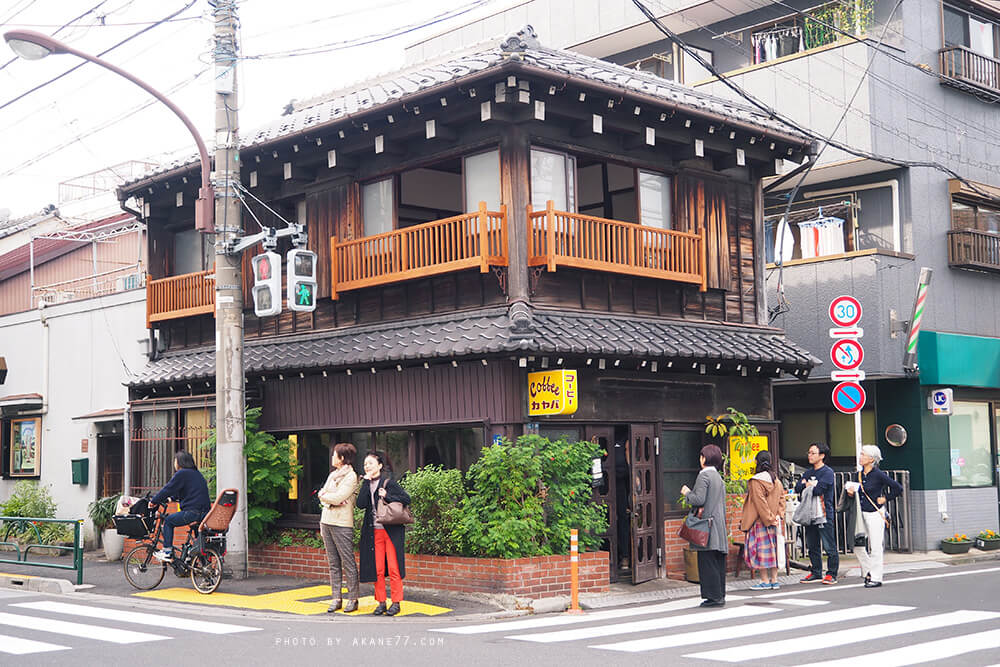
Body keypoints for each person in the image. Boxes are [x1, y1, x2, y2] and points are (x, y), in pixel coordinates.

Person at [356, 451, 411, 616]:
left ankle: (396, 602)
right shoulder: (366, 483)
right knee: (377, 569)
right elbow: (360, 504)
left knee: (394, 568)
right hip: (373, 533)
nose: (368, 467)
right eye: (365, 464)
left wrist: (388, 495)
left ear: (380, 466)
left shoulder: (389, 483)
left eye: (371, 463)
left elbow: (406, 499)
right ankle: (381, 602)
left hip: (391, 531)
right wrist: (365, 483)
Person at [846, 444, 903, 588]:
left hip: (875, 513)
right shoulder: (858, 474)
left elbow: (898, 487)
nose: (860, 457)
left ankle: (876, 577)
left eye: (863, 454)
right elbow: (858, 492)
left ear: (871, 459)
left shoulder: (878, 474)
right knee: (857, 544)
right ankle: (868, 571)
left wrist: (885, 498)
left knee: (876, 546)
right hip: (860, 513)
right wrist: (851, 492)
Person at [680, 444, 728, 607]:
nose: (700, 459)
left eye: (701, 456)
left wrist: (687, 493)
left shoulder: (704, 476)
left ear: (704, 458)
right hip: (719, 525)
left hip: (707, 526)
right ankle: (720, 594)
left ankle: (713, 597)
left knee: (707, 561)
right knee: (717, 561)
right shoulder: (718, 477)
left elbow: (698, 499)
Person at [318, 443, 361, 613]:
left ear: (342, 458)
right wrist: (329, 498)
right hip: (326, 521)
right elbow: (323, 495)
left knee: (347, 561)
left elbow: (338, 497)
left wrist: (329, 497)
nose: (332, 458)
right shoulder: (332, 475)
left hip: (342, 523)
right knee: (333, 563)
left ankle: (353, 598)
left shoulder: (351, 476)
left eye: (334, 455)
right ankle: (336, 598)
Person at [150, 450, 211, 562]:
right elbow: (182, 491)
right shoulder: (197, 474)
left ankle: (167, 551)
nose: (174, 463)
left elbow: (168, 488)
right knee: (198, 539)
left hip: (192, 512)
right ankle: (204, 565)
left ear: (180, 462)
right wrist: (170, 499)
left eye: (175, 460)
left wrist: (154, 501)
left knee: (168, 521)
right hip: (205, 514)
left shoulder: (182, 473)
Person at [740, 450, 786, 590]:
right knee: (774, 550)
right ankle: (774, 580)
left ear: (756, 462)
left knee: (761, 551)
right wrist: (778, 516)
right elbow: (782, 499)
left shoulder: (756, 481)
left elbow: (760, 503)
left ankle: (765, 581)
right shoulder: (776, 480)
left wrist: (768, 518)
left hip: (760, 521)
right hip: (775, 522)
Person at [795, 442, 838, 584]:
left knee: (829, 546)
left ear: (822, 456)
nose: (809, 455)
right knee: (812, 545)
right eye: (809, 453)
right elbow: (797, 487)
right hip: (809, 514)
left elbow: (820, 489)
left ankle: (832, 574)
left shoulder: (828, 472)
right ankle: (816, 572)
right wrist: (807, 485)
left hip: (824, 514)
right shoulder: (808, 472)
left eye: (813, 453)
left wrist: (807, 485)